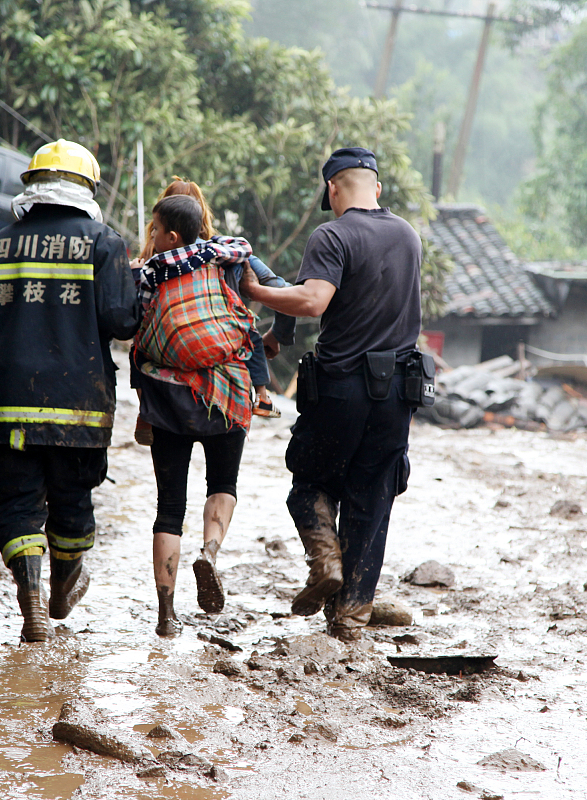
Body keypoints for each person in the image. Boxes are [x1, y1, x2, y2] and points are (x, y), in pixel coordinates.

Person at [240, 146, 423, 642]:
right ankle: (351, 618)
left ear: (332, 189)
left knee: (310, 483)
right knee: (373, 497)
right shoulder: (408, 235)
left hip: (341, 388)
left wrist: (258, 295)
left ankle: (325, 564)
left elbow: (312, 299)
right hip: (398, 396)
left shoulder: (333, 234)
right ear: (377, 188)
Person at [0, 139, 139, 641]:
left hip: (7, 404)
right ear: (86, 188)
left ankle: (31, 598)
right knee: (72, 501)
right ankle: (64, 585)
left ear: (33, 186)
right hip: (79, 408)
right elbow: (123, 322)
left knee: (17, 502)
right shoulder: (104, 243)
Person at [133, 194, 255, 637]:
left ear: (171, 235)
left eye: (155, 229)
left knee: (169, 508)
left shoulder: (149, 272)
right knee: (222, 484)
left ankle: (166, 615)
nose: (151, 235)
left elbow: (137, 325)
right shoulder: (224, 255)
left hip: (167, 398)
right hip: (225, 392)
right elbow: (253, 268)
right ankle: (210, 551)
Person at [131, 178, 294, 443]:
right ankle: (261, 396)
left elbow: (136, 317)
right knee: (249, 332)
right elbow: (282, 289)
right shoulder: (223, 252)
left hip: (165, 381)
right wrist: (278, 335)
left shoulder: (151, 261)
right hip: (227, 378)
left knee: (137, 348)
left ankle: (145, 411)